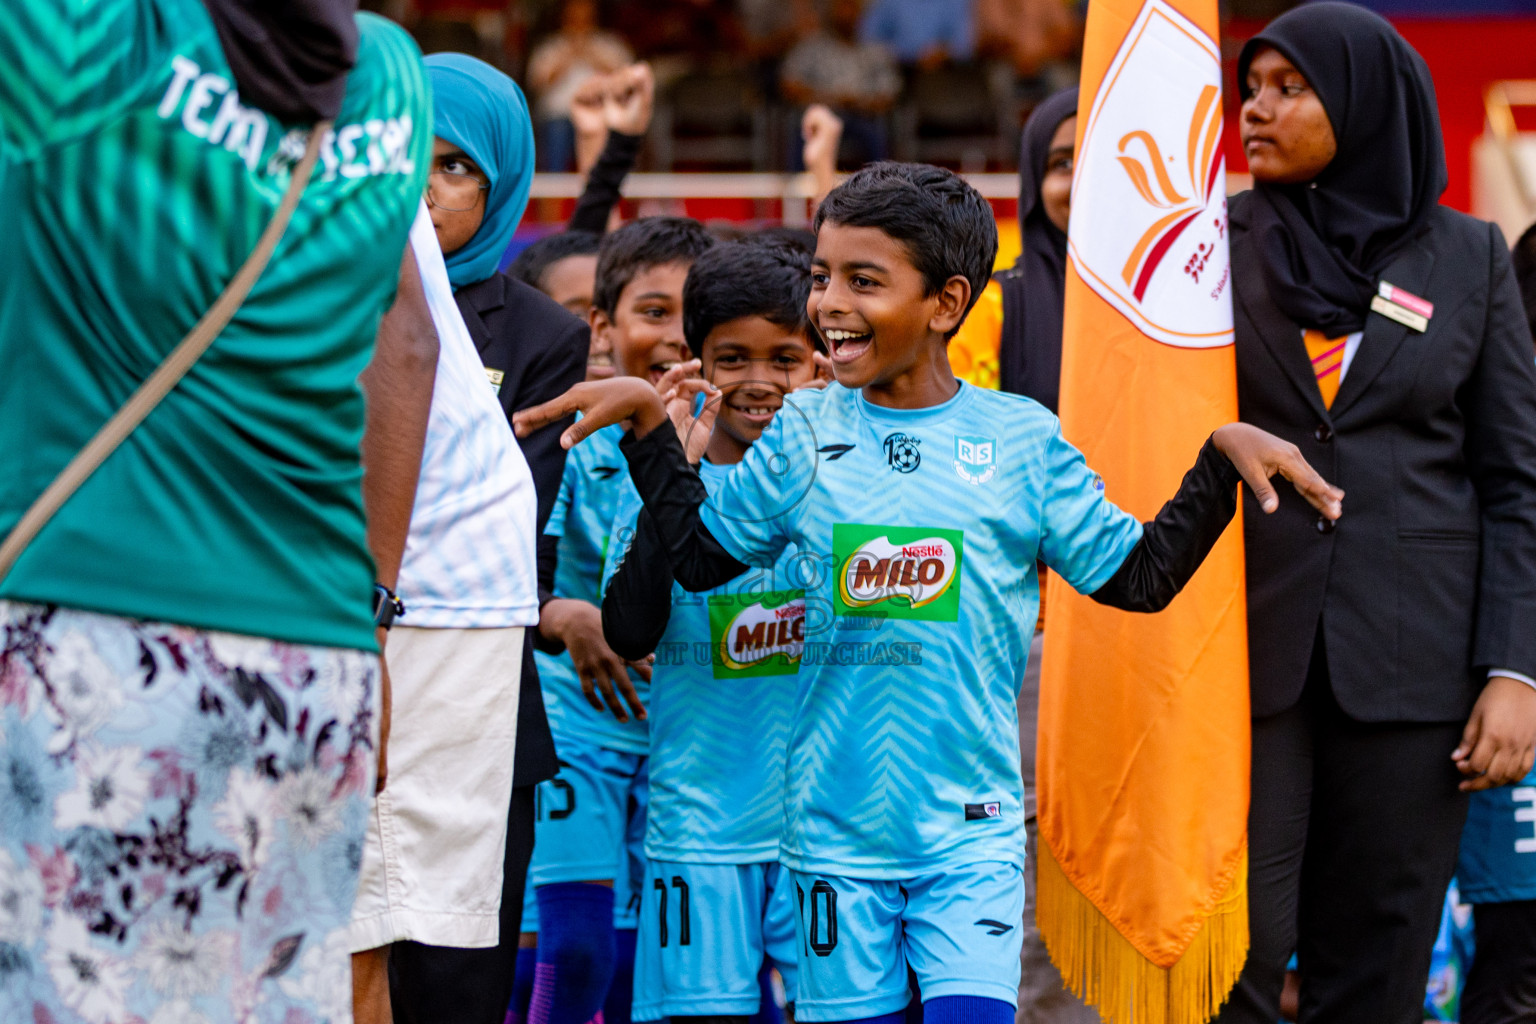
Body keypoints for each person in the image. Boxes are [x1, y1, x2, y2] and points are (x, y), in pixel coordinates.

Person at [516, 161, 1342, 1024]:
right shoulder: (803, 430)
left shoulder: (1021, 438)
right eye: (823, 278)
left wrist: (1215, 463)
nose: (831, 304)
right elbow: (684, 572)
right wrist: (656, 437)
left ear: (946, 303)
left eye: (863, 282)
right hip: (832, 846)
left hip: (969, 839)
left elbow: (1137, 579)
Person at [0, 1, 432, 1021]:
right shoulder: (396, 77)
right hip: (313, 660)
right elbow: (405, 341)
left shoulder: (78, 40)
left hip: (92, 635)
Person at [1219, 6, 1536, 1021]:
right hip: (1239, 660)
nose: (1256, 111)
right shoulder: (1205, 247)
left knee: (1384, 953)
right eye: (1250, 87)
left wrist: (1517, 670)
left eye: (1287, 87)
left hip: (1417, 665)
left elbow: (1515, 480)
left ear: (1363, 104)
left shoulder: (1470, 254)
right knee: (1236, 950)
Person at [380, 55, 593, 1024]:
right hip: (334, 667)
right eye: (407, 149)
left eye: (458, 165)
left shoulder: (541, 331)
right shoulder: (315, 299)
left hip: (471, 695)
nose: (424, 182)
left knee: (450, 973)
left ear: (503, 182)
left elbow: (523, 517)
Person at [602, 238, 826, 1023]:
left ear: (820, 364)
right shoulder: (664, 489)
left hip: (828, 837)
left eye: (786, 358)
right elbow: (628, 631)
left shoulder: (845, 486)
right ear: (695, 365)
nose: (759, 381)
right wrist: (675, 473)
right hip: (700, 831)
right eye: (732, 358)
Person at [517, 217, 718, 1024]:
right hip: (579, 731)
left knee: (655, 968)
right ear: (602, 327)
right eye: (652, 311)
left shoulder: (745, 446)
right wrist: (563, 614)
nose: (673, 336)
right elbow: (505, 570)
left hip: (688, 736)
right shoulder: (569, 438)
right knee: (575, 951)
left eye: (692, 316)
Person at [948, 87, 1076, 404]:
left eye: (1104, 159)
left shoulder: (1182, 304)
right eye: (1063, 163)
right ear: (1034, 181)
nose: (1085, 179)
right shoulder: (993, 308)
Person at [781, 0, 902, 168]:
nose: (846, 14)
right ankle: (798, 192)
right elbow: (790, 85)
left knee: (877, 135)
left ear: (860, 13)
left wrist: (859, 102)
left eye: (851, 8)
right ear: (831, 11)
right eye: (842, 8)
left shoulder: (875, 51)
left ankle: (882, 188)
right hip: (821, 116)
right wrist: (829, 99)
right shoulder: (812, 46)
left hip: (862, 117)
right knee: (804, 134)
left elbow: (889, 95)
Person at [527, 0, 632, 171]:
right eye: (574, 18)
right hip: (558, 116)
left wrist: (592, 55)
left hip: (602, 115)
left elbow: (627, 82)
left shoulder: (610, 45)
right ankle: (553, 194)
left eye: (585, 18)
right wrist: (566, 57)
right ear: (564, 19)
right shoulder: (550, 47)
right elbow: (536, 85)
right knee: (556, 132)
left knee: (605, 153)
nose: (580, 23)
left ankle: (602, 191)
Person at [858, 0, 975, 68]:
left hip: (946, 76)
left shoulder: (955, 2)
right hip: (899, 75)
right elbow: (867, 38)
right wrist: (906, 55)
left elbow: (966, 44)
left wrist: (945, 53)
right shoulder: (888, 3)